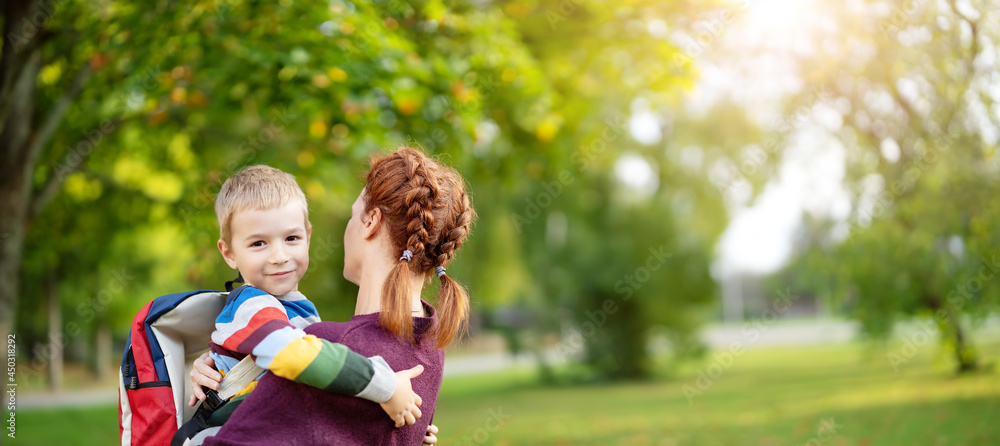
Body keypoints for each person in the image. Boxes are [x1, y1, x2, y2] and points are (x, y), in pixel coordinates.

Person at [198, 146, 475, 445]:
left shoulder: (333, 345)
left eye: (353, 214)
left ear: (370, 222)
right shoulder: (431, 343)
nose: (278, 256)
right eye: (258, 244)